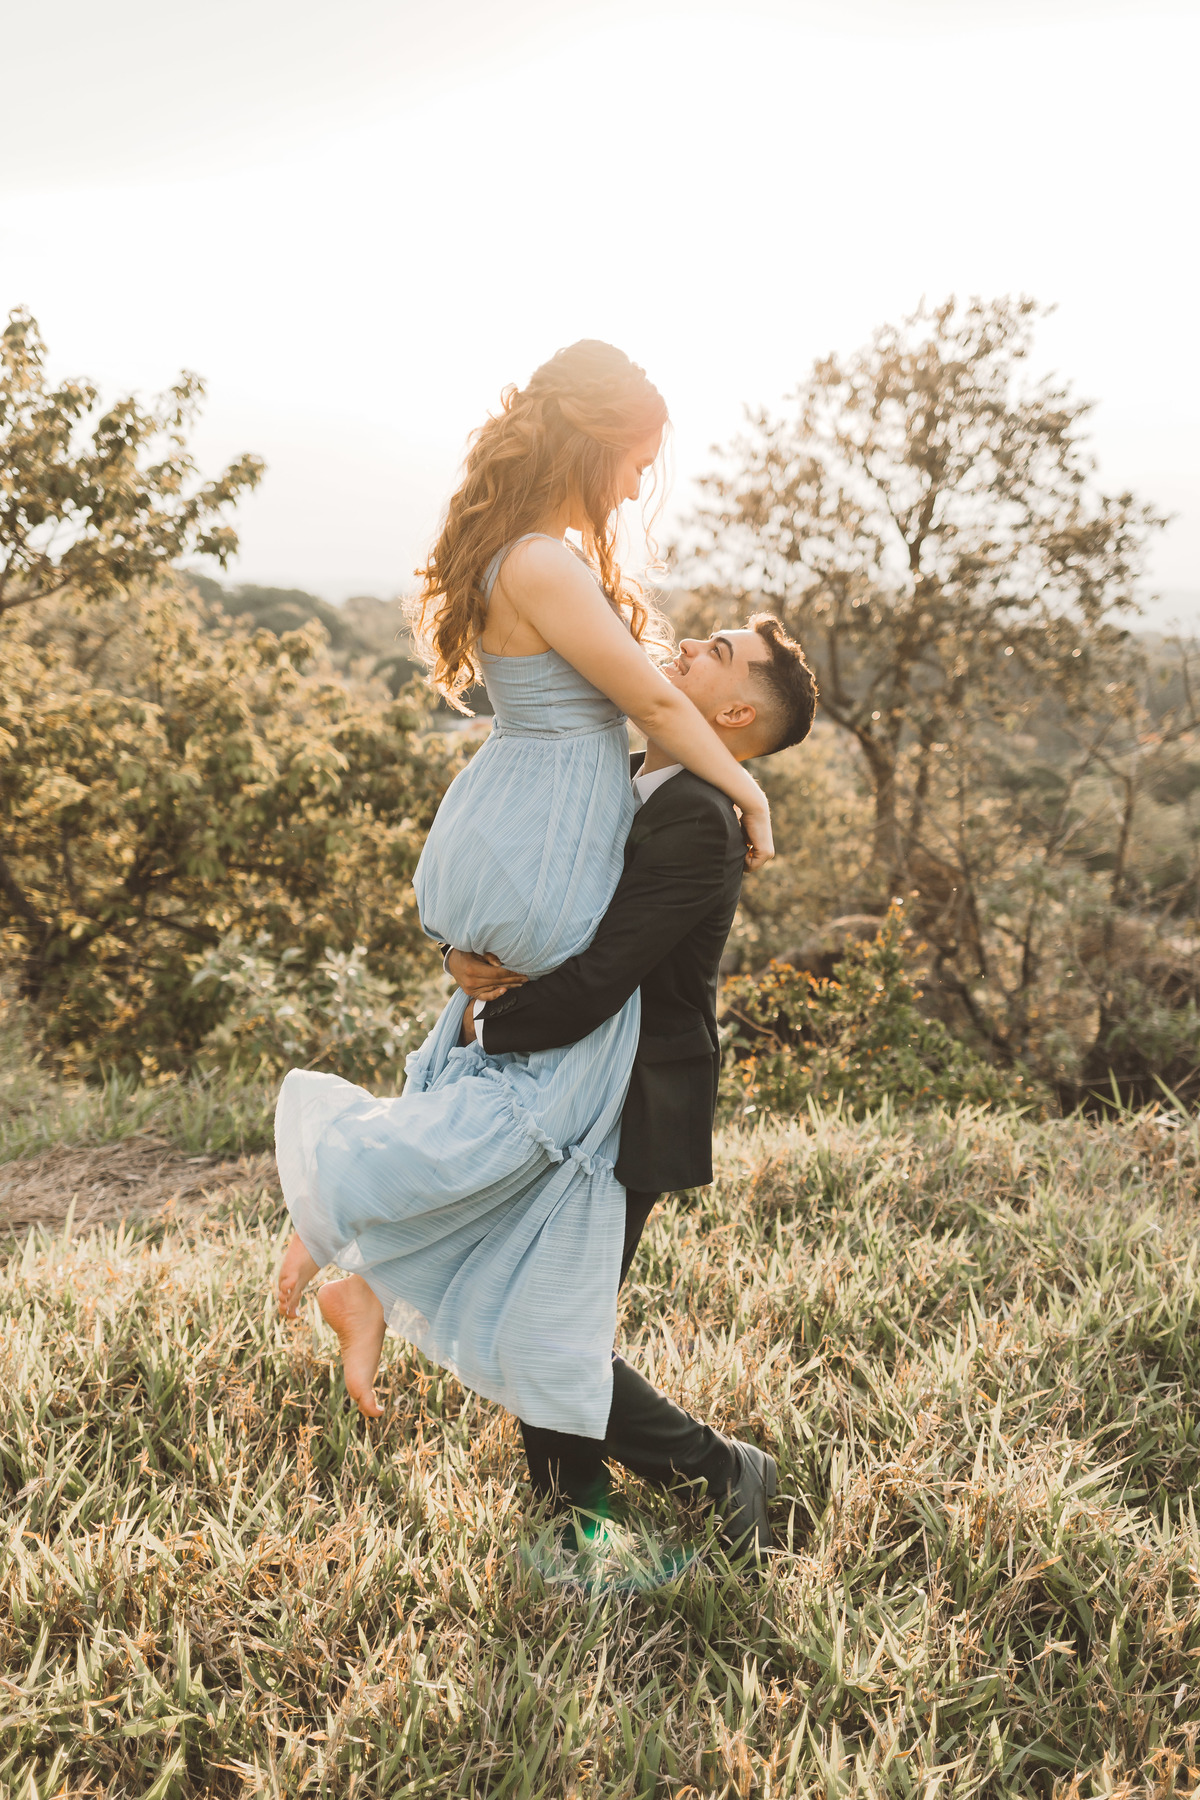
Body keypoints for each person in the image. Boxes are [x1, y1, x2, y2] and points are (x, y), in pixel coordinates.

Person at [273, 341, 775, 1448]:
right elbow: (648, 693)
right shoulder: (544, 560)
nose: (641, 484)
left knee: (495, 1101)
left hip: (524, 821)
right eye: (639, 462)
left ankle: (365, 1266)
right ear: (596, 445)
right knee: (520, 1114)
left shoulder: (537, 553)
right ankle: (354, 1236)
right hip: (537, 825)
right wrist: (750, 790)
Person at [449, 615, 817, 1560]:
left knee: (545, 1318)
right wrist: (464, 954)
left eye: (717, 653)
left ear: (732, 710)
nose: (688, 645)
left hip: (633, 1094)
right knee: (536, 1304)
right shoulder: (624, 778)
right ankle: (570, 1516)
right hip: (568, 1076)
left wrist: (487, 1024)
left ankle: (721, 1471)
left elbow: (609, 970)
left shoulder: (698, 818)